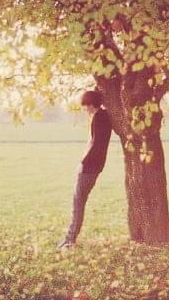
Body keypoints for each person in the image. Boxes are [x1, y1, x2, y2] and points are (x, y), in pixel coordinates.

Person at [58, 90, 112, 248]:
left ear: (92, 104)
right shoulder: (100, 116)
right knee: (78, 201)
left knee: (78, 202)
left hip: (90, 166)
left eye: (86, 105)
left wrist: (83, 162)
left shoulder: (100, 118)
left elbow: (97, 145)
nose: (84, 109)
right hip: (93, 165)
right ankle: (70, 238)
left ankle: (70, 240)